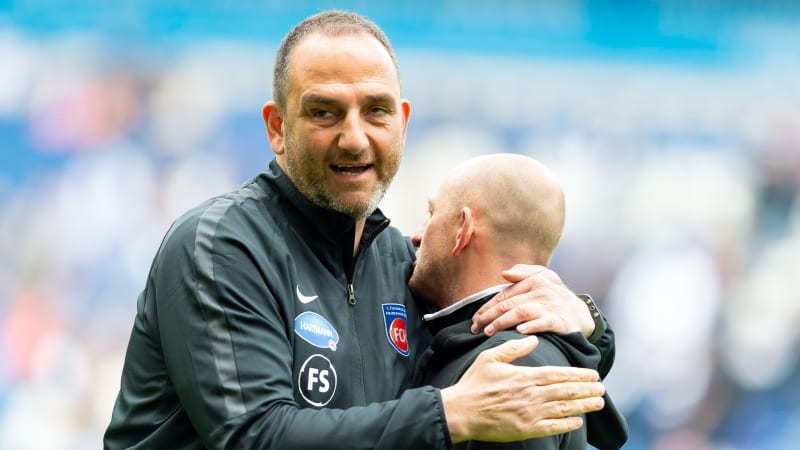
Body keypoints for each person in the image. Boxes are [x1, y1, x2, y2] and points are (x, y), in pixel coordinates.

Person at [104, 10, 614, 449]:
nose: (354, 139)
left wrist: (584, 320)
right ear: (277, 128)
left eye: (376, 111)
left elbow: (491, 343)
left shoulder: (401, 264)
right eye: (324, 112)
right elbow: (254, 435)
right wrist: (450, 414)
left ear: (403, 122)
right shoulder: (220, 246)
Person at [411, 154, 628, 449]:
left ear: (463, 229)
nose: (416, 235)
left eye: (431, 214)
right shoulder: (511, 351)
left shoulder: (511, 366)